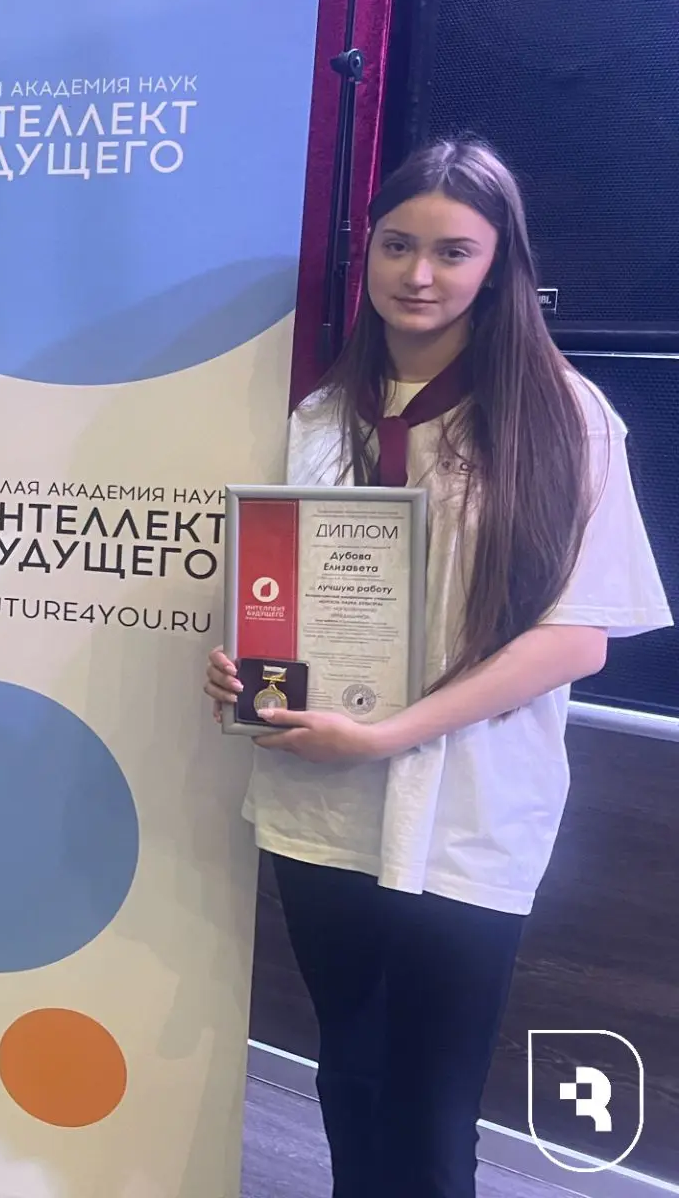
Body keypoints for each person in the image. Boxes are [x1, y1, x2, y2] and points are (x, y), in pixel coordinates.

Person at [205, 138, 671, 1197]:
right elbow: (279, 594)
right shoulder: (320, 419)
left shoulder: (564, 417)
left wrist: (388, 734)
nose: (418, 274)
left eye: (453, 251)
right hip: (322, 806)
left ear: (499, 266)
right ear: (365, 252)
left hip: (467, 809)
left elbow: (579, 636)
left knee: (430, 1108)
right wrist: (242, 672)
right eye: (396, 245)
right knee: (349, 1078)